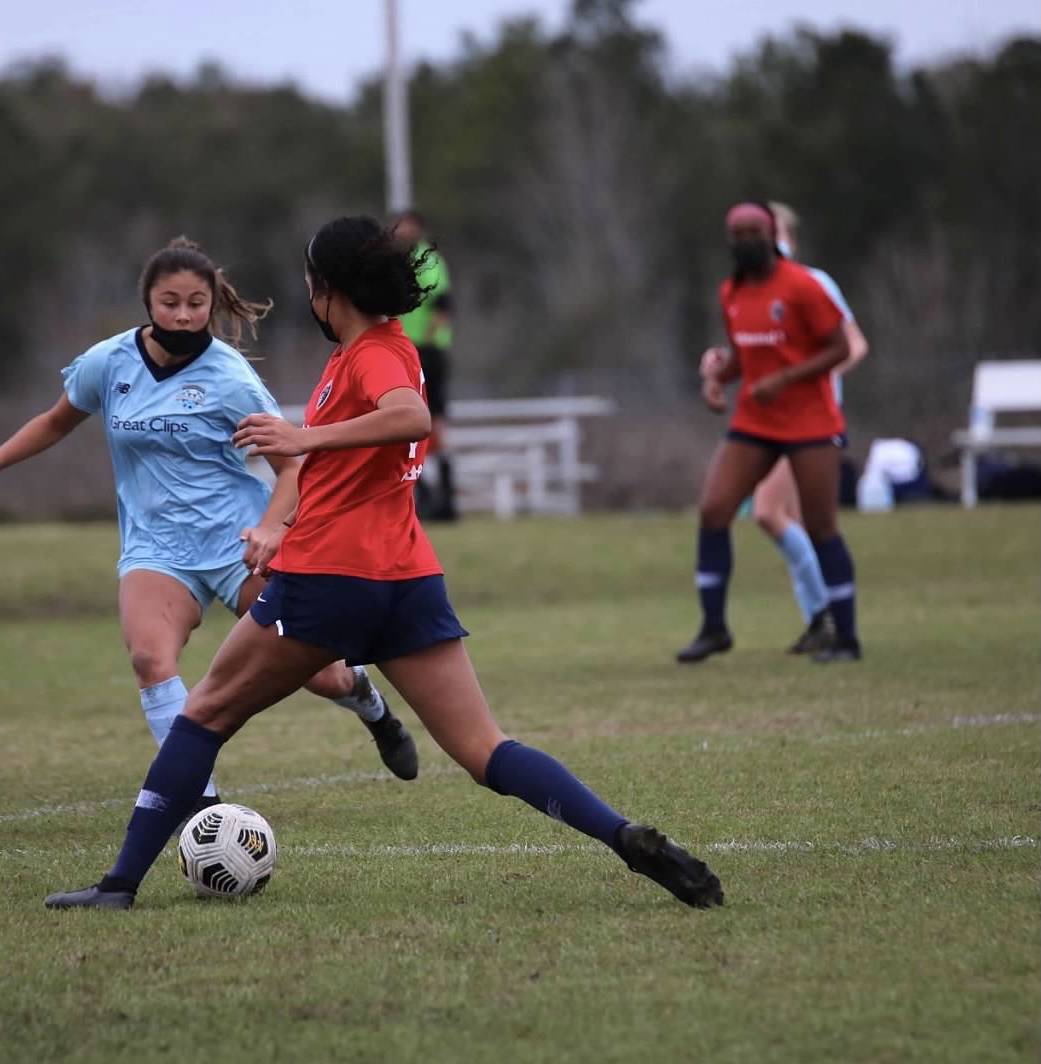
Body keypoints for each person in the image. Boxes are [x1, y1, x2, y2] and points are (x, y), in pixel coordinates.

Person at [45, 216, 724, 912]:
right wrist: (278, 520)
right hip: (404, 577)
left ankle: (118, 885)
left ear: (326, 288)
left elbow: (409, 417)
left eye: (310, 284)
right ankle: (624, 839)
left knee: (202, 717)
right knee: (483, 749)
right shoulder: (375, 349)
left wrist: (302, 436)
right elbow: (350, 465)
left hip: (330, 578)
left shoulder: (373, 354)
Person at [0, 238, 420, 807]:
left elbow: (292, 467)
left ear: (211, 305)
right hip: (156, 550)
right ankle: (202, 807)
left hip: (238, 544)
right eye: (169, 301)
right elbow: (56, 421)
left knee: (322, 673)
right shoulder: (111, 362)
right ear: (147, 301)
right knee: (150, 658)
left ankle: (370, 705)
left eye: (196, 303)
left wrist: (272, 529)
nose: (183, 314)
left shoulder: (230, 377)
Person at [677, 201, 863, 666]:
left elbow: (841, 347)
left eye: (754, 232)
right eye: (737, 234)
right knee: (715, 509)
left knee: (821, 527)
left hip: (810, 422)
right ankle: (714, 627)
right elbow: (745, 356)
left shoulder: (803, 285)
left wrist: (786, 379)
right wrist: (718, 380)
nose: (746, 241)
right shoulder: (731, 293)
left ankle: (845, 635)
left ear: (772, 234)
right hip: (755, 422)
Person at [393, 209, 458, 521]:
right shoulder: (394, 261)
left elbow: (441, 305)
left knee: (433, 421)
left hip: (425, 352)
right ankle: (422, 491)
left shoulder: (425, 259)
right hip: (404, 351)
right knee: (402, 422)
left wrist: (428, 346)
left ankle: (443, 495)